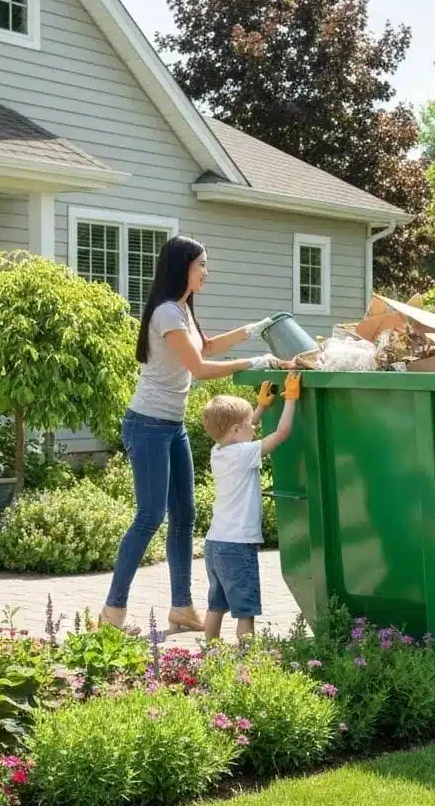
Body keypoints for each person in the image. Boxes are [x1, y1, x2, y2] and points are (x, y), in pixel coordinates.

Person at [100, 235, 292, 636]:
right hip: (148, 423)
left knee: (184, 516)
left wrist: (250, 331)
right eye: (202, 264)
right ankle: (112, 614)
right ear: (182, 267)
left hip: (170, 426)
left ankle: (181, 607)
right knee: (150, 516)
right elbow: (200, 367)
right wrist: (256, 360)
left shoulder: (182, 310)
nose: (207, 271)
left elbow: (204, 346)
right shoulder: (167, 314)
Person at [200, 373, 300, 643]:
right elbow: (282, 433)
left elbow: (239, 432)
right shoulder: (244, 454)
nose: (254, 428)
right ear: (235, 431)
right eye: (249, 425)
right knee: (246, 611)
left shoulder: (219, 451)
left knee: (216, 605)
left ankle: (211, 651)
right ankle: (248, 659)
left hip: (214, 544)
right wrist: (290, 399)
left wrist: (260, 408)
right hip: (237, 546)